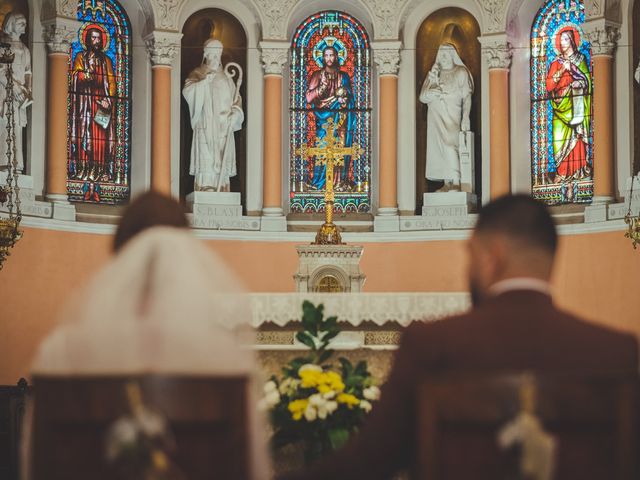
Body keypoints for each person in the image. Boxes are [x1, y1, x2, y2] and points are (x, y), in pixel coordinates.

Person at [279, 194, 638, 480]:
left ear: (492, 257)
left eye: (471, 254)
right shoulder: (617, 353)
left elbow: (368, 463)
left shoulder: (432, 346)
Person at [29, 191, 269, 479]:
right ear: (188, 257)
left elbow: (36, 463)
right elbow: (249, 468)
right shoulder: (224, 355)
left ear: (119, 252)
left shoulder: (60, 352)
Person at [183, 39, 244, 192]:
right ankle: (205, 186)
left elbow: (237, 101)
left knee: (223, 154)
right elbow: (188, 91)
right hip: (206, 124)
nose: (216, 58)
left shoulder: (227, 79)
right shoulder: (198, 73)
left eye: (218, 54)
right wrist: (203, 83)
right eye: (213, 54)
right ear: (206, 55)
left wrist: (235, 114)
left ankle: (222, 185)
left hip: (224, 126)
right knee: (206, 155)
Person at [419, 43, 473, 192]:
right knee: (439, 148)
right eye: (440, 53)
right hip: (435, 117)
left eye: (445, 53)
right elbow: (423, 96)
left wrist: (466, 117)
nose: (442, 56)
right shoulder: (434, 73)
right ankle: (447, 183)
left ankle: (456, 181)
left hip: (452, 115)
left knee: (451, 145)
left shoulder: (461, 72)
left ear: (452, 55)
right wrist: (432, 93)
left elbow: (467, 97)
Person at [69, 25, 116, 182]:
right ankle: (83, 169)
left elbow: (111, 81)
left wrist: (108, 100)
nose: (96, 41)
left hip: (101, 105)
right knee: (84, 134)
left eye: (98, 38)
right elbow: (75, 76)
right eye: (93, 38)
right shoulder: (80, 57)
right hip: (85, 103)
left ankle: (99, 170)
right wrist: (84, 75)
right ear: (87, 40)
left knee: (100, 137)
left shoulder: (106, 60)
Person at [305, 45, 355, 191]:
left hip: (341, 119)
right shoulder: (317, 75)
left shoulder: (344, 76)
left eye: (332, 55)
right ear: (322, 57)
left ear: (337, 56)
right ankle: (320, 183)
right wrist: (322, 88)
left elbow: (351, 99)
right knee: (322, 148)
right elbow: (309, 98)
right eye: (326, 55)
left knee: (340, 148)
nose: (329, 58)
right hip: (324, 119)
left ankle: (340, 182)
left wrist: (344, 99)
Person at [545, 27, 591, 182]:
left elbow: (587, 81)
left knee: (576, 136)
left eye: (565, 39)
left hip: (576, 104)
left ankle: (579, 171)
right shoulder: (555, 63)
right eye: (560, 40)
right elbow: (549, 86)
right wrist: (561, 71)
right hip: (559, 107)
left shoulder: (580, 59)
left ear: (572, 40)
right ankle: (562, 171)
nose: (562, 43)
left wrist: (577, 80)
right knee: (559, 140)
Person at [0, 11, 32, 172]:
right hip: (4, 92)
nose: (24, 25)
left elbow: (28, 73)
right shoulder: (2, 46)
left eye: (25, 23)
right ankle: (3, 163)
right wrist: (15, 88)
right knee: (5, 124)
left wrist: (27, 91)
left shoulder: (25, 49)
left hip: (19, 97)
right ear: (11, 24)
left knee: (17, 127)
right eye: (20, 22)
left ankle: (15, 164)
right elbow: (1, 71)